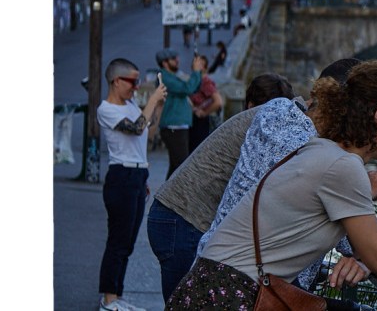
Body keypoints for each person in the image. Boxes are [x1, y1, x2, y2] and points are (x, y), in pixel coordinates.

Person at [168, 61, 377, 309]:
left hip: (212, 287)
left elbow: (371, 246)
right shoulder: (342, 166)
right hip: (229, 295)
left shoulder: (323, 151)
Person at [147, 73, 294, 302]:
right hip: (184, 220)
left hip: (175, 216)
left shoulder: (247, 124)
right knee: (187, 304)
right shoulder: (261, 128)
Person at [96, 58, 167, 311]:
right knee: (117, 241)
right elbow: (137, 128)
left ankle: (117, 296)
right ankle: (108, 299)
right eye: (132, 82)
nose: (136, 87)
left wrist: (158, 105)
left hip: (137, 175)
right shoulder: (107, 109)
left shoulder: (130, 105)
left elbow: (149, 131)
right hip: (121, 176)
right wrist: (151, 100)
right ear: (116, 81)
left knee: (127, 243)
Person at [156, 48, 203, 179]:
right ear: (164, 63)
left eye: (177, 57)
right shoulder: (164, 77)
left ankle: (166, 191)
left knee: (175, 166)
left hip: (179, 126)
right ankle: (170, 192)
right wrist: (196, 72)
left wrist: (197, 72)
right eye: (173, 59)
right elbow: (187, 88)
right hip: (173, 127)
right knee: (181, 166)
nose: (177, 60)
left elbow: (194, 88)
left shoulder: (172, 76)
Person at [187, 54, 223, 154]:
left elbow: (218, 101)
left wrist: (204, 112)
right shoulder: (196, 80)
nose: (197, 66)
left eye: (201, 64)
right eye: (196, 63)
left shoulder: (205, 82)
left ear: (205, 68)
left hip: (202, 121)